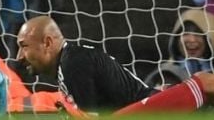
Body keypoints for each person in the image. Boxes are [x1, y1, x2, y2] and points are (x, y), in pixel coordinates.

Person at [16, 16, 157, 114]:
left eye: (24, 46)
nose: (19, 57)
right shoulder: (70, 61)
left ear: (47, 43)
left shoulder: (72, 64)